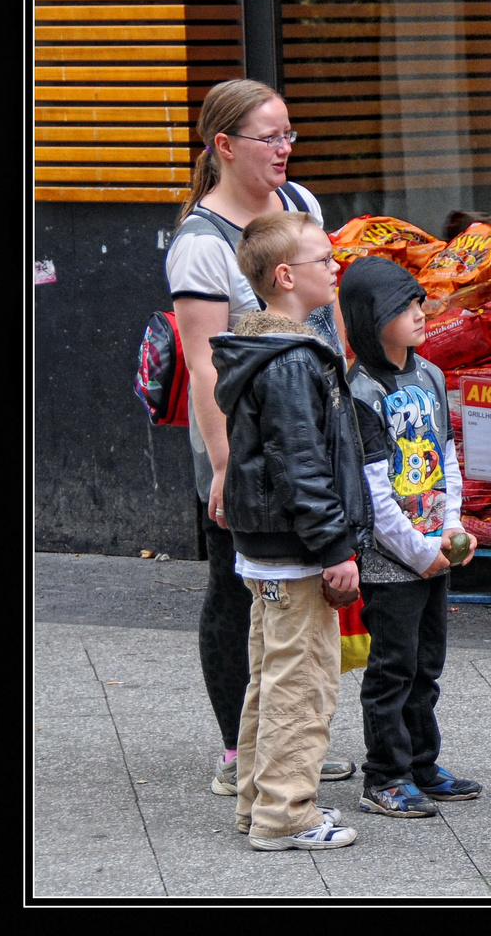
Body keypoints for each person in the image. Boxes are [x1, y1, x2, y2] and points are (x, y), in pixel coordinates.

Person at [164, 78, 355, 795]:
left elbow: (324, 314)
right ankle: (239, 754)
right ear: (224, 146)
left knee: (300, 587)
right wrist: (221, 466)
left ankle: (286, 739)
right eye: (270, 136)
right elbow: (204, 361)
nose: (285, 149)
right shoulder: (200, 244)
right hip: (240, 444)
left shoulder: (300, 205)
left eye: (289, 135)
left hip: (311, 428)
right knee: (235, 587)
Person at [210, 212, 371, 851]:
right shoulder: (291, 360)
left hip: (269, 547)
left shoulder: (263, 349)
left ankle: (258, 804)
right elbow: (302, 464)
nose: (335, 269)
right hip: (296, 550)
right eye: (323, 260)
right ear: (285, 276)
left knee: (272, 678)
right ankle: (286, 814)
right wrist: (335, 547)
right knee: (301, 686)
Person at [338, 256, 483, 817]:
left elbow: (446, 455)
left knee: (428, 665)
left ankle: (423, 764)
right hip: (389, 561)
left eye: (419, 301)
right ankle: (385, 776)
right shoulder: (359, 393)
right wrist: (420, 553)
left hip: (432, 552)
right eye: (405, 306)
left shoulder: (432, 375)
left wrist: (450, 527)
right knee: (392, 670)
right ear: (370, 319)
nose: (421, 313)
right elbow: (373, 497)